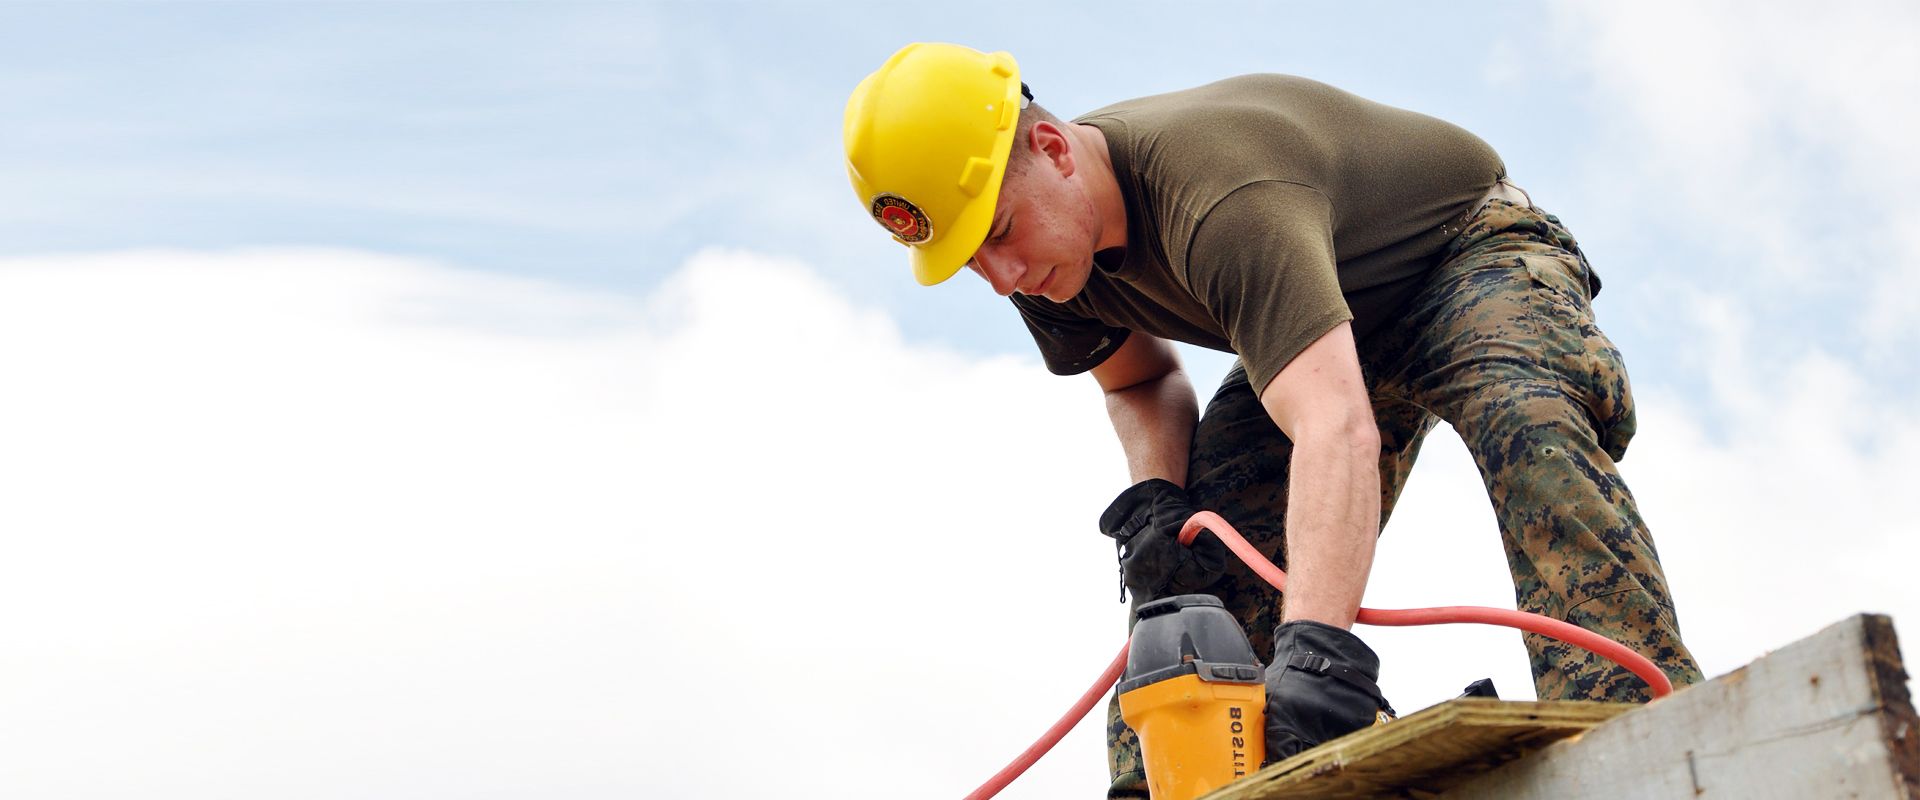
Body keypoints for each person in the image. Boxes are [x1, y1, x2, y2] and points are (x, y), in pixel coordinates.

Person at [843, 42, 1704, 797]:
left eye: (998, 234)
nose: (1000, 276)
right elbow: (1138, 383)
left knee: (1527, 426)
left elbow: (1337, 431)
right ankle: (1176, 782)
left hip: (1460, 256)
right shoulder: (1044, 257)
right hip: (1325, 326)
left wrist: (1319, 648)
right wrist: (1155, 496)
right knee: (1195, 556)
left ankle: (1639, 715)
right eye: (968, 260)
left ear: (1054, 149)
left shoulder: (1221, 198)